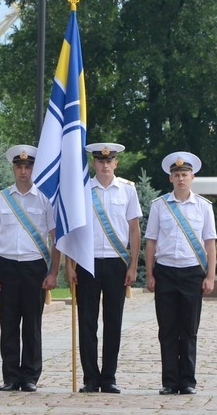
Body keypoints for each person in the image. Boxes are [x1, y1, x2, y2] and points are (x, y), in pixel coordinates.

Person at [0, 145, 60, 393]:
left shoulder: (45, 198)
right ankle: (10, 377)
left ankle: (30, 376)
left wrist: (53, 272)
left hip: (34, 266)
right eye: (19, 166)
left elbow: (55, 237)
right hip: (6, 266)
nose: (23, 171)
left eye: (28, 167)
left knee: (32, 325)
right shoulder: (1, 198)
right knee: (8, 324)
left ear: (34, 169)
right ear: (13, 169)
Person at [67, 142, 142, 394]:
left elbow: (134, 229)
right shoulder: (82, 189)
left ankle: (109, 377)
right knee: (87, 322)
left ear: (116, 163)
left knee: (113, 322)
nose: (105, 164)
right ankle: (90, 378)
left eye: (109, 161)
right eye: (100, 161)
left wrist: (133, 265)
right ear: (94, 163)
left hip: (116, 262)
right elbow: (72, 229)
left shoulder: (128, 190)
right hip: (87, 262)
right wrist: (70, 264)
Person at [145, 151, 216, 396]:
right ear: (170, 179)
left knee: (188, 329)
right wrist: (150, 274)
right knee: (167, 329)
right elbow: (151, 242)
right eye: (176, 175)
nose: (181, 179)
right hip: (165, 272)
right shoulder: (160, 206)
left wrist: (210, 276)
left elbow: (210, 244)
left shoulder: (204, 207)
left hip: (192, 273)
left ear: (192, 177)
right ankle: (169, 381)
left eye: (185, 174)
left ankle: (187, 381)